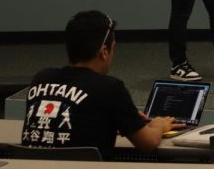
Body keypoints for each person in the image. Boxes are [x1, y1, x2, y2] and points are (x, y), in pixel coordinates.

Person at [20, 11, 177, 159]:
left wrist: (121, 119)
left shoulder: (41, 79)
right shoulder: (111, 88)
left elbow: (76, 121)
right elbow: (147, 144)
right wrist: (159, 125)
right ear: (104, 51)